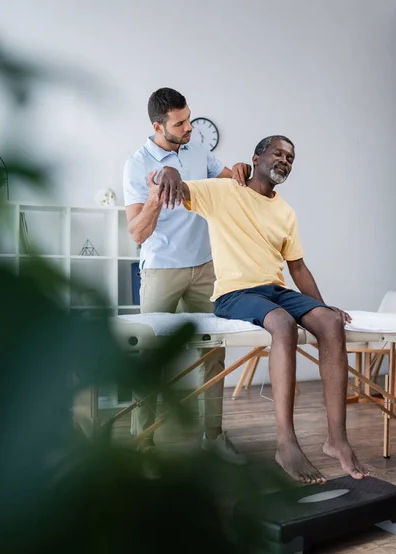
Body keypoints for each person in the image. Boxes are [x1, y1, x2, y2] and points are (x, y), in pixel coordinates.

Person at [146, 135, 370, 484]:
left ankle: (337, 440)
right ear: (257, 157)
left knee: (329, 322)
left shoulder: (285, 211)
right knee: (282, 325)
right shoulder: (224, 192)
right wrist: (169, 171)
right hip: (235, 293)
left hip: (275, 289)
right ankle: (287, 443)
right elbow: (166, 180)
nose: (285, 160)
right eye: (278, 153)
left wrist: (322, 305)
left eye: (291, 158)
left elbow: (298, 269)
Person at [123, 87, 250, 462]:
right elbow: (137, 233)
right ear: (158, 126)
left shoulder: (198, 151)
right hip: (162, 269)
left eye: (190, 117)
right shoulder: (136, 164)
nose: (189, 126)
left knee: (213, 354)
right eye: (180, 123)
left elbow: (229, 181)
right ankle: (142, 445)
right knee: (149, 357)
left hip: (206, 268)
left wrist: (240, 172)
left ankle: (213, 435)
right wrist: (154, 198)